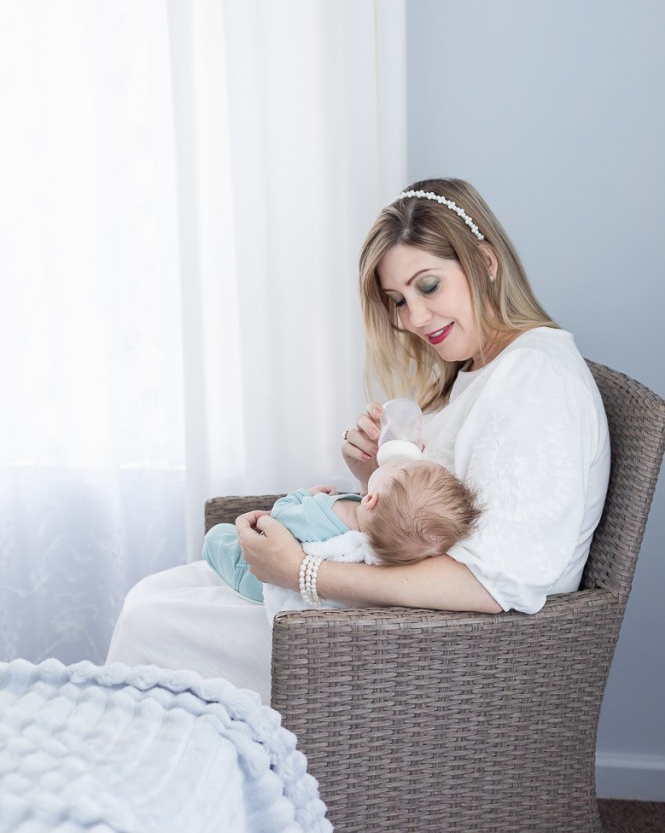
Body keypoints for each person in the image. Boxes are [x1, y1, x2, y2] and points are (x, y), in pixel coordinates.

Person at [107, 178, 610, 705]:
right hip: (402, 618)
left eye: (429, 286)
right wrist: (373, 477)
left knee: (150, 622)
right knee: (153, 596)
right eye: (398, 300)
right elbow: (442, 522)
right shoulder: (478, 369)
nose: (414, 318)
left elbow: (491, 585)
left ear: (485, 261)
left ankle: (159, 779)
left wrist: (306, 573)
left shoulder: (535, 380)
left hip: (444, 652)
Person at [202, 459, 481, 613]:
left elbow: (277, 517)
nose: (399, 462)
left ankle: (226, 569)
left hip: (255, 576)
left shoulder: (320, 515)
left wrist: (303, 496)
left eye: (402, 468)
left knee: (218, 535)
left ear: (370, 500)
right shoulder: (371, 540)